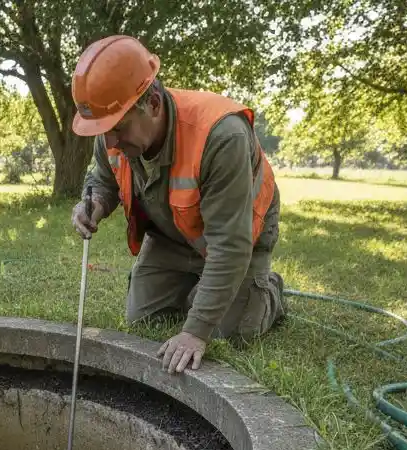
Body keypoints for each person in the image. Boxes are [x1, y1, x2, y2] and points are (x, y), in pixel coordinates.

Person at [69, 34, 284, 374]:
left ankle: (266, 291)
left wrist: (196, 332)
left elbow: (230, 244)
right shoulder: (111, 132)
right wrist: (92, 203)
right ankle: (201, 287)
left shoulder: (221, 135)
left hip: (236, 235)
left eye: (118, 128)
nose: (109, 141)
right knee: (143, 318)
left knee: (230, 332)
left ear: (153, 104)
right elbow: (103, 181)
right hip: (172, 234)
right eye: (104, 129)